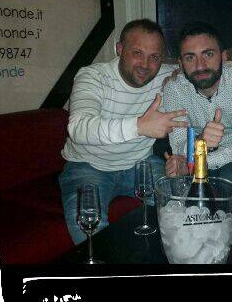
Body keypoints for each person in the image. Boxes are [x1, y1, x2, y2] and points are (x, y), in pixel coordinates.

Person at [59, 19, 188, 244]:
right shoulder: (93, 76)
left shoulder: (166, 77)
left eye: (154, 57)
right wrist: (139, 126)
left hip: (141, 163)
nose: (145, 64)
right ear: (119, 49)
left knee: (180, 209)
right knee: (89, 233)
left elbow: (201, 68)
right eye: (137, 53)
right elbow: (78, 128)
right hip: (87, 166)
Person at [162, 21, 232, 178]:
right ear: (180, 64)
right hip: (192, 158)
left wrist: (199, 162)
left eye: (208, 54)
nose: (200, 66)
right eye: (190, 58)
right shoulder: (174, 89)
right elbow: (178, 144)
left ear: (223, 57)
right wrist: (200, 142)